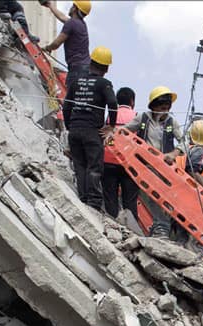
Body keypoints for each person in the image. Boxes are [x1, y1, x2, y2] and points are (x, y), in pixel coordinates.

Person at [124, 86, 184, 237]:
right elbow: (126, 130)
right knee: (150, 197)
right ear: (154, 106)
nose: (164, 111)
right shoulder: (143, 118)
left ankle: (162, 227)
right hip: (144, 165)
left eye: (167, 108)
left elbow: (184, 143)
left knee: (159, 197)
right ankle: (158, 226)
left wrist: (174, 153)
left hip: (163, 167)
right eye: (162, 108)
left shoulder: (172, 122)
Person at [62, 46, 116, 210]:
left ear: (91, 61)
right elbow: (113, 104)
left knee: (80, 165)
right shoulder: (104, 84)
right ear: (106, 68)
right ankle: (93, 203)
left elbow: (66, 107)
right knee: (94, 166)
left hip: (75, 129)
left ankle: (83, 198)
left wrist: (69, 126)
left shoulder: (76, 81)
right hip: (92, 131)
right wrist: (111, 126)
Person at [101, 86, 137, 220]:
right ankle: (131, 229)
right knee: (130, 201)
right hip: (129, 163)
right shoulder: (136, 117)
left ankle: (112, 227)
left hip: (109, 160)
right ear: (132, 101)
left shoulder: (110, 115)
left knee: (110, 199)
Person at [41, 1, 91, 94]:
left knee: (71, 98)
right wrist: (50, 6)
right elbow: (62, 17)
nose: (70, 7)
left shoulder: (71, 23)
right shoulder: (81, 24)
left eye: (73, 6)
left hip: (76, 69)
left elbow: (56, 44)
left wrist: (47, 48)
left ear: (75, 9)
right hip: (86, 68)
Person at [175, 120, 203, 189]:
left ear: (190, 134)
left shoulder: (182, 149)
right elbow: (192, 170)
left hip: (177, 184)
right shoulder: (199, 150)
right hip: (187, 189)